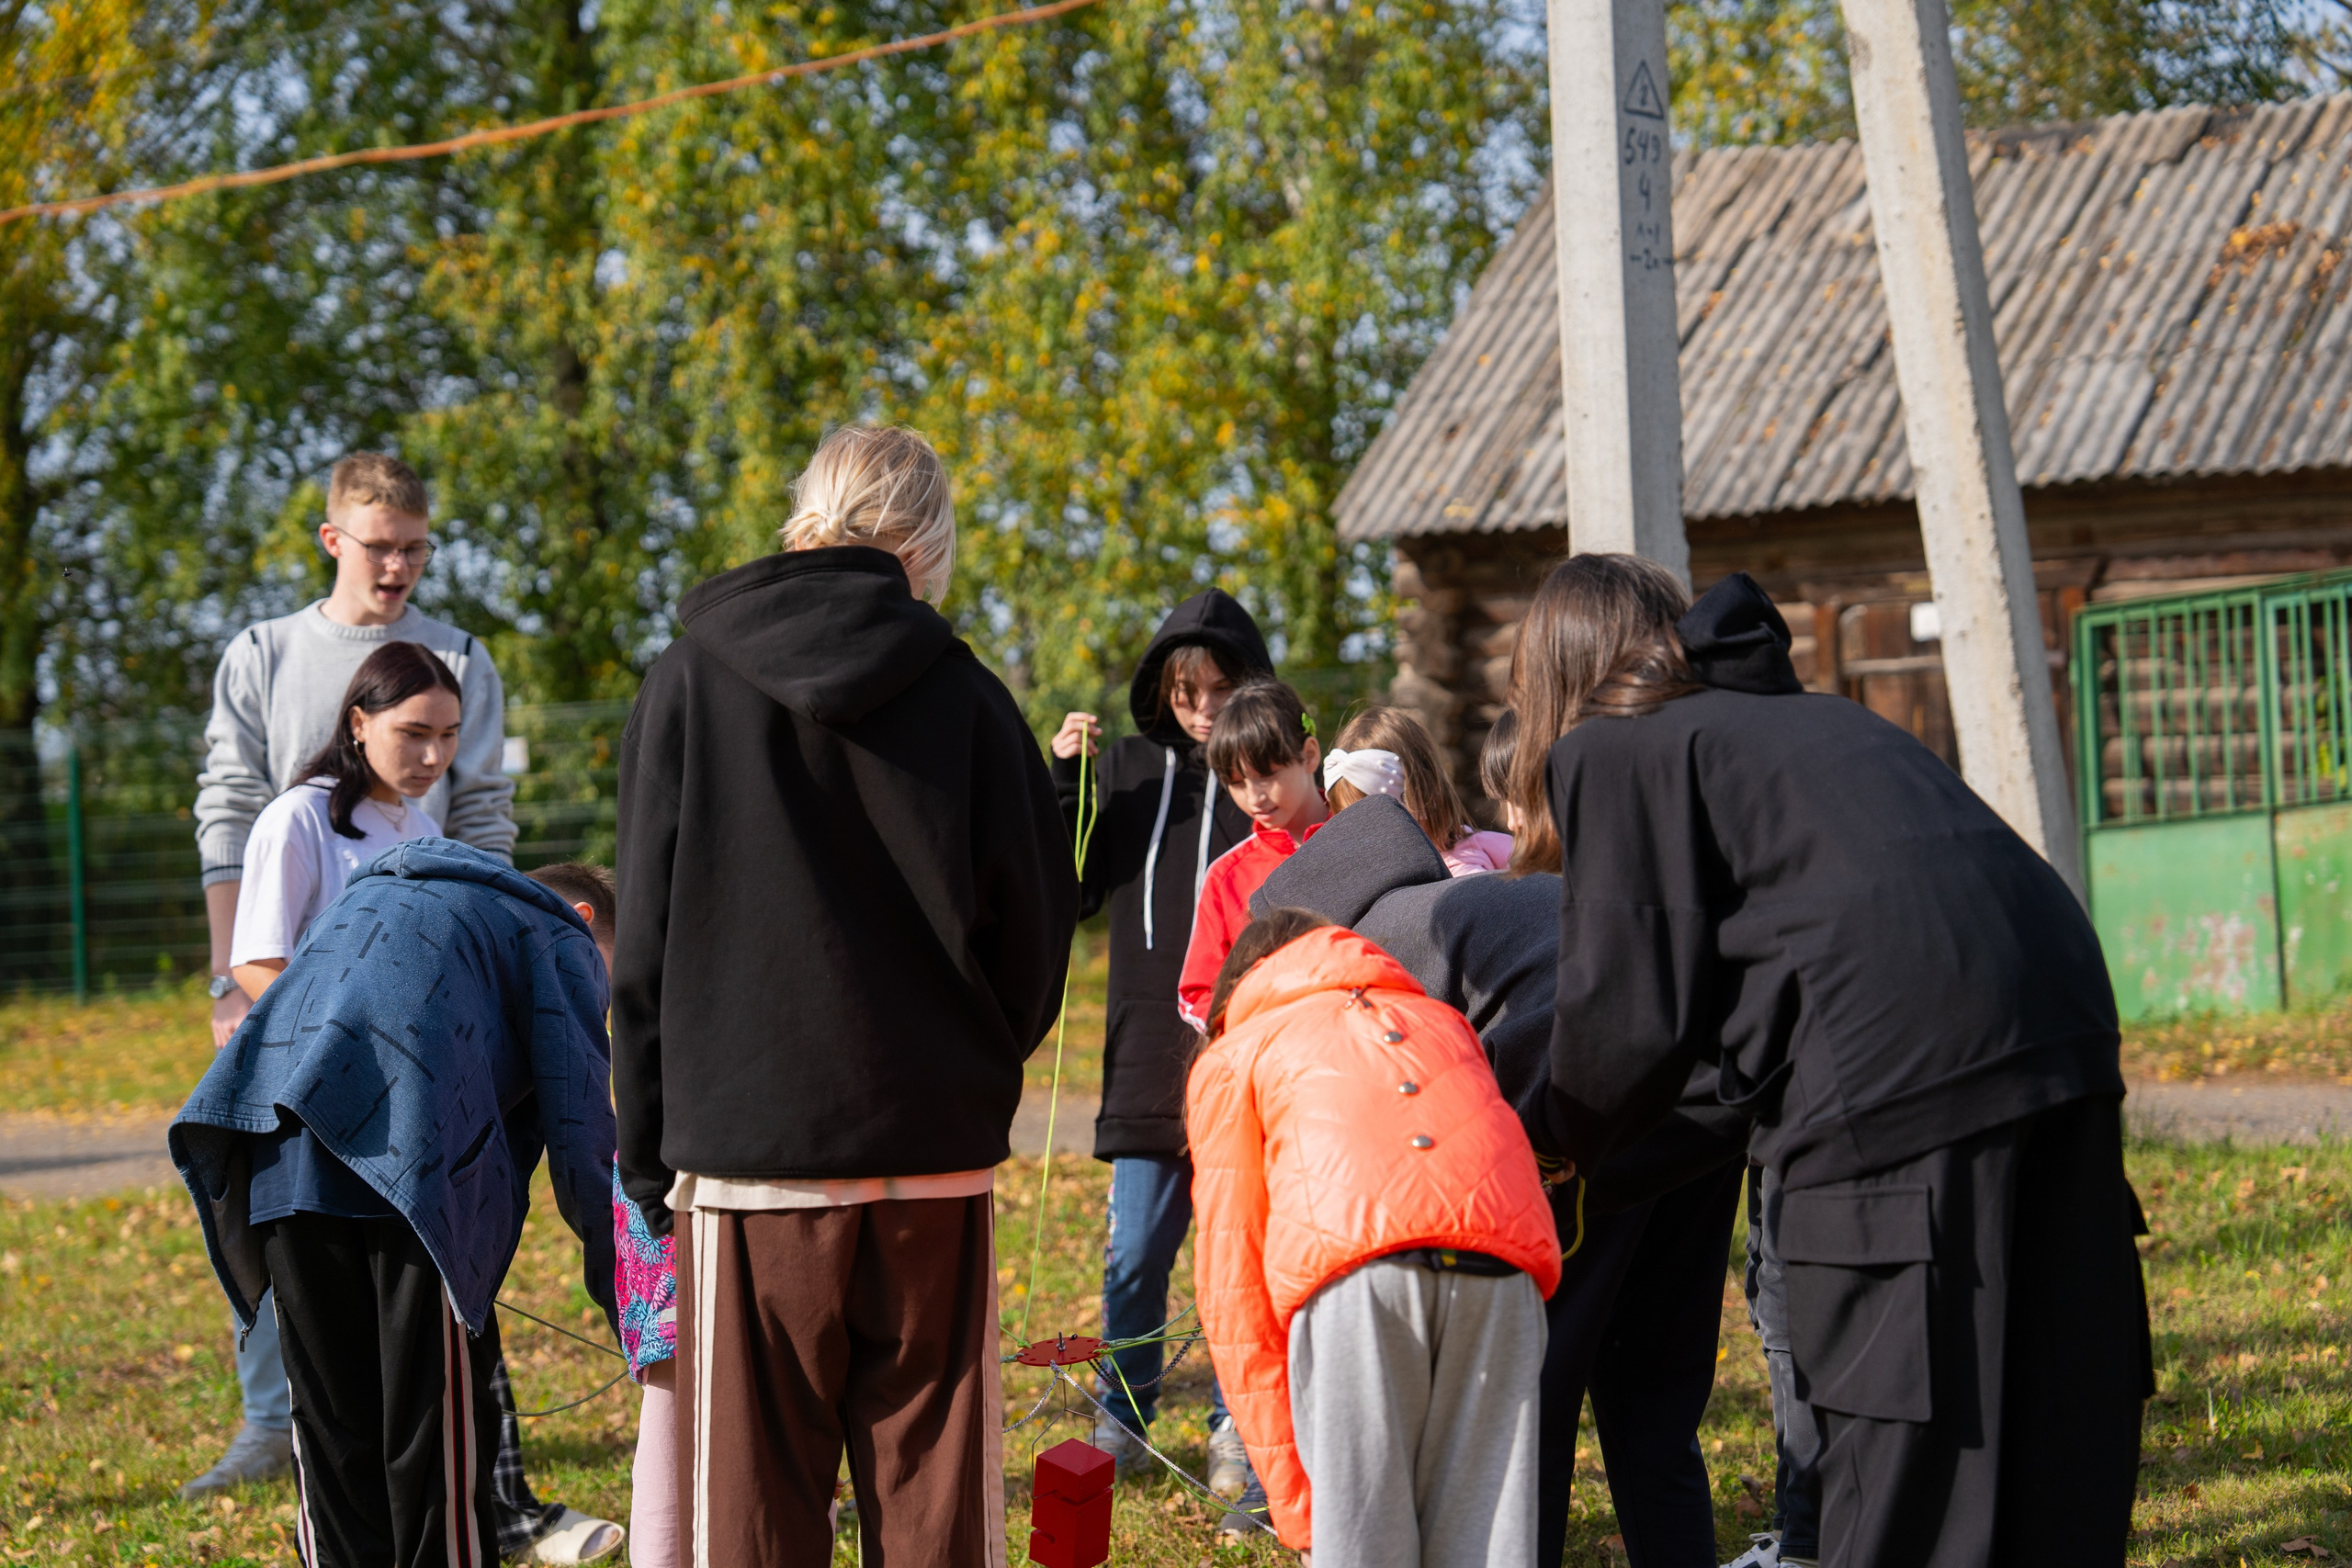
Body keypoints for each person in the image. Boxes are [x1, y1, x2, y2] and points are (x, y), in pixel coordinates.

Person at [1519, 556, 2152, 1564]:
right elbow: (1728, 1063)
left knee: (1898, 1479)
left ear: (1548, 682)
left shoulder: (1614, 750)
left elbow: (1626, 1031)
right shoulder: (1807, 728)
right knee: (2048, 1437)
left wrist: (1535, 1148)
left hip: (1900, 1076)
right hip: (2060, 1036)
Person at [611, 423, 1079, 1568]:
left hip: (746, 1155)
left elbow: (645, 941)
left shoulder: (686, 680)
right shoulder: (967, 694)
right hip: (929, 1150)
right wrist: (975, 1062)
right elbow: (1039, 922)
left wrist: (644, 1144)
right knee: (934, 1507)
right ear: (925, 539)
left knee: (754, 1512)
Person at [1253, 725, 1747, 1568]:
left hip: (1596, 1104)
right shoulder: (1460, 897)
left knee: (1532, 1406)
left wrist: (1538, 1153)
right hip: (1706, 1101)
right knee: (1655, 1410)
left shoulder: (1367, 957)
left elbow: (1468, 1089)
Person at [182, 452, 545, 1535]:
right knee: (282, 1214)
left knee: (405, 1254)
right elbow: (234, 811)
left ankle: (462, 1471)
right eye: (378, 544)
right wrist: (234, 981)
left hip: (412, 1045)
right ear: (333, 538)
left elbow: (479, 822)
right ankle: (270, 1422)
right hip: (287, 1008)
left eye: (416, 548)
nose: (397, 564)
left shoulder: (456, 665)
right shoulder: (266, 658)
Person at [168, 839, 619, 1568]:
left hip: (277, 1161)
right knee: (430, 1436)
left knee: (330, 1429)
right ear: (584, 915)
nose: (601, 1006)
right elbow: (584, 1139)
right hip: (411, 1172)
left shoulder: (367, 900)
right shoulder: (555, 932)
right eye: (613, 983)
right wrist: (636, 1310)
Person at [1188, 908, 1561, 1565]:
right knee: (1490, 1545)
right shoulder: (1444, 1021)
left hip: (1357, 1278)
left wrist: (1299, 1512)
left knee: (1367, 1546)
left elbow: (1233, 1288)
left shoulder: (1238, 1052)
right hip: (1503, 1270)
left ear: (1240, 979)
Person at [1046, 591, 1272, 1493]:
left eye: (1220, 687)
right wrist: (1068, 779)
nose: (1204, 707)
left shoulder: (1259, 773)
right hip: (1145, 1055)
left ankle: (1235, 1423)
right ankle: (1125, 1410)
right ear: (1162, 691)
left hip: (1241, 1050)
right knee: (1135, 1251)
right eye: (1186, 691)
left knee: (1232, 1252)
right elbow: (1074, 888)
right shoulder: (1132, 768)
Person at [1174, 680, 1331, 1028]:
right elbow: (1197, 993)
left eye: (1266, 775)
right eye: (1236, 782)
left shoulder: (1368, 837)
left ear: (1308, 754)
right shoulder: (1225, 876)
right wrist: (1249, 1028)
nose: (1254, 796)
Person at [1319, 704, 1512, 874]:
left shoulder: (1460, 869)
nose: (1365, 836)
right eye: (1350, 823)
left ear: (1423, 795)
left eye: (1374, 819)